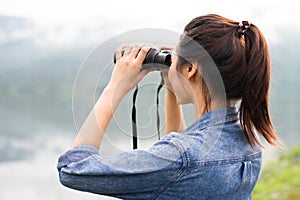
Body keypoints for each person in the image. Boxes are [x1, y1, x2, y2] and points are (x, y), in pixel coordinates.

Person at [57, 14, 282, 200]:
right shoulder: (248, 141)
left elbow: (72, 169)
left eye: (174, 62)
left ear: (190, 69)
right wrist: (172, 82)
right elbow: (181, 166)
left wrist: (114, 87)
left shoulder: (181, 156)